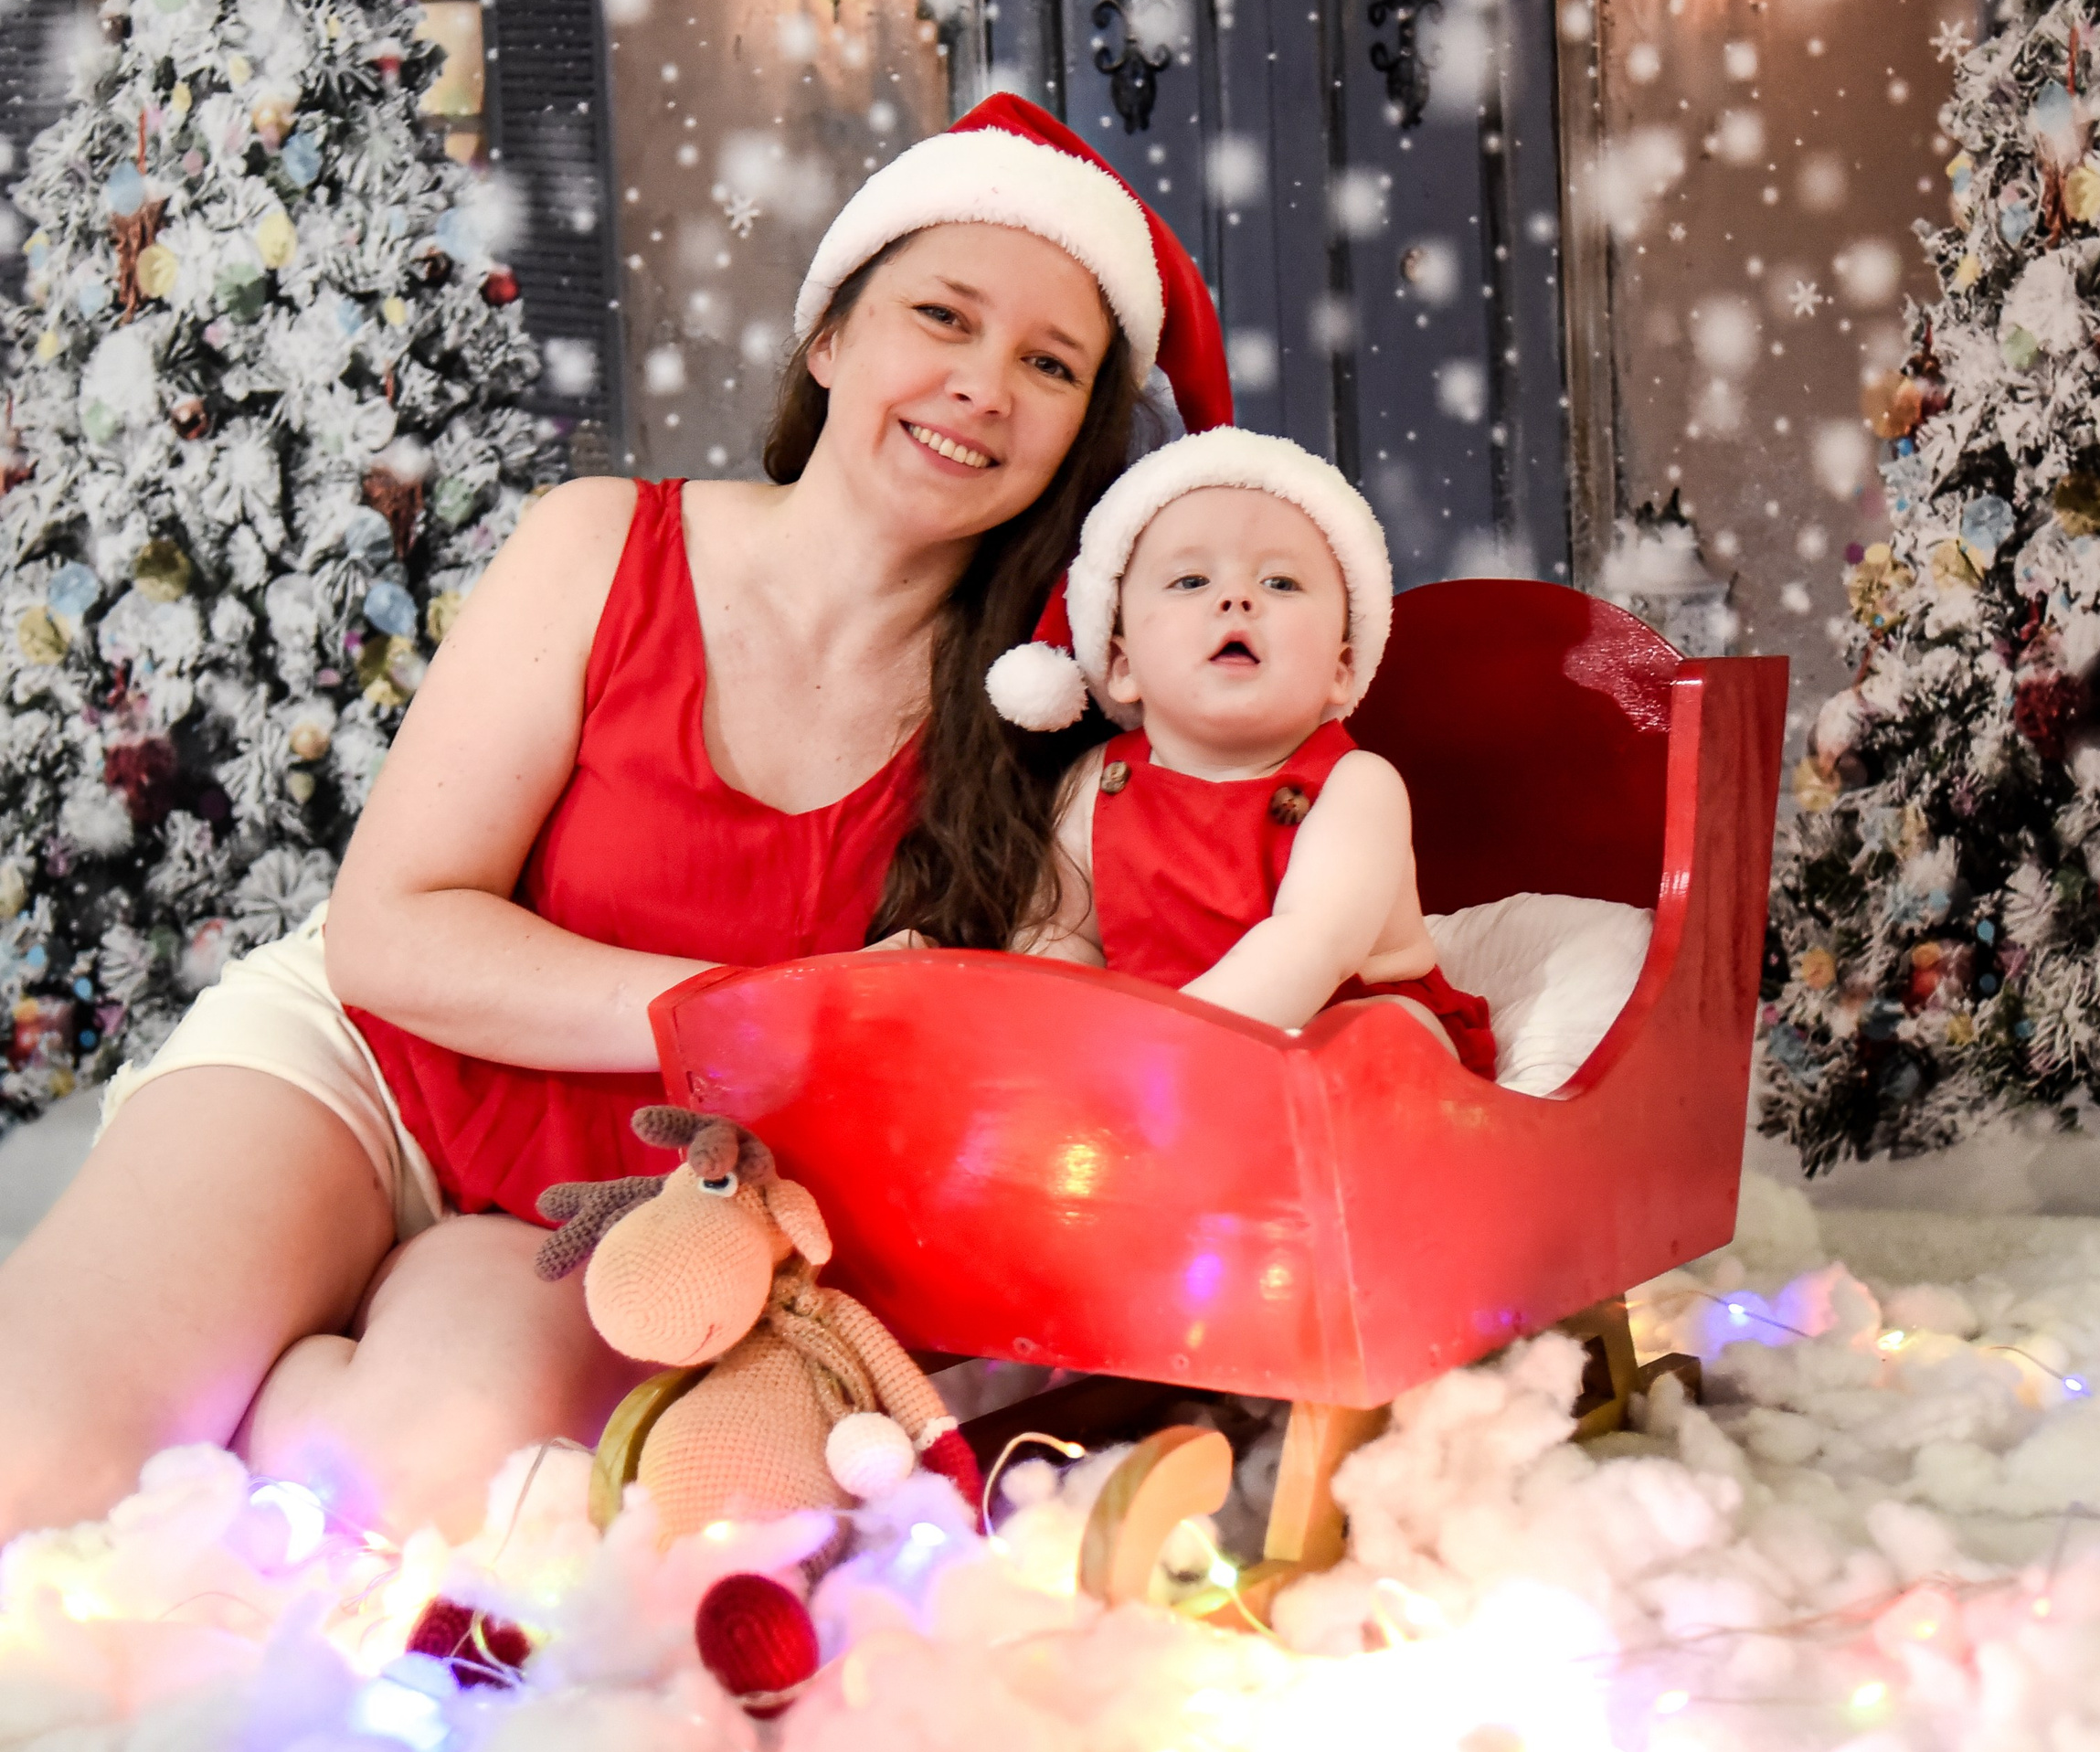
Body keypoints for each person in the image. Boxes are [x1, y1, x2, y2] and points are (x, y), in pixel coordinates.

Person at [0, 93, 1234, 1545]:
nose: (982, 385)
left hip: (622, 1207)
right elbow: (393, 937)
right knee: (33, 1466)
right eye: (943, 318)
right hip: (374, 1078)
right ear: (831, 339)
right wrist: (749, 1008)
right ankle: (216, 1332)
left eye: (1047, 364)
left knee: (406, 1490)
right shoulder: (605, 541)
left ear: (1081, 432)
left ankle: (263, 1375)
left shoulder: (1047, 720)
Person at [984, 426, 1497, 1075]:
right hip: (1157, 1054)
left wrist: (1156, 1052)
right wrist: (1069, 1045)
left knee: (1388, 1037)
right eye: (1191, 580)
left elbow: (1310, 945)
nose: (1237, 599)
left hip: (1322, 1022)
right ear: (1120, 665)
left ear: (1342, 669)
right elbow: (1058, 931)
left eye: (1281, 583)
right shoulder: (1098, 780)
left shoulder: (1355, 787)